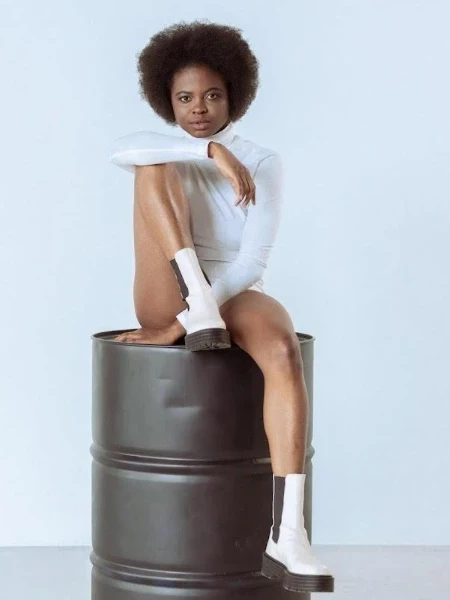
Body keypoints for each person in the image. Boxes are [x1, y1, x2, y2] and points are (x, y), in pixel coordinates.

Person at [108, 20, 334, 594]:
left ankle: (288, 533)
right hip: (170, 282)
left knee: (282, 347)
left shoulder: (263, 162)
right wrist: (207, 151)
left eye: (212, 96)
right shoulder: (166, 150)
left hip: (226, 290)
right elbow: (123, 151)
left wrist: (194, 316)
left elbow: (252, 263)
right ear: (167, 99)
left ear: (235, 94)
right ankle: (194, 299)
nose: (199, 108)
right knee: (149, 168)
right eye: (184, 98)